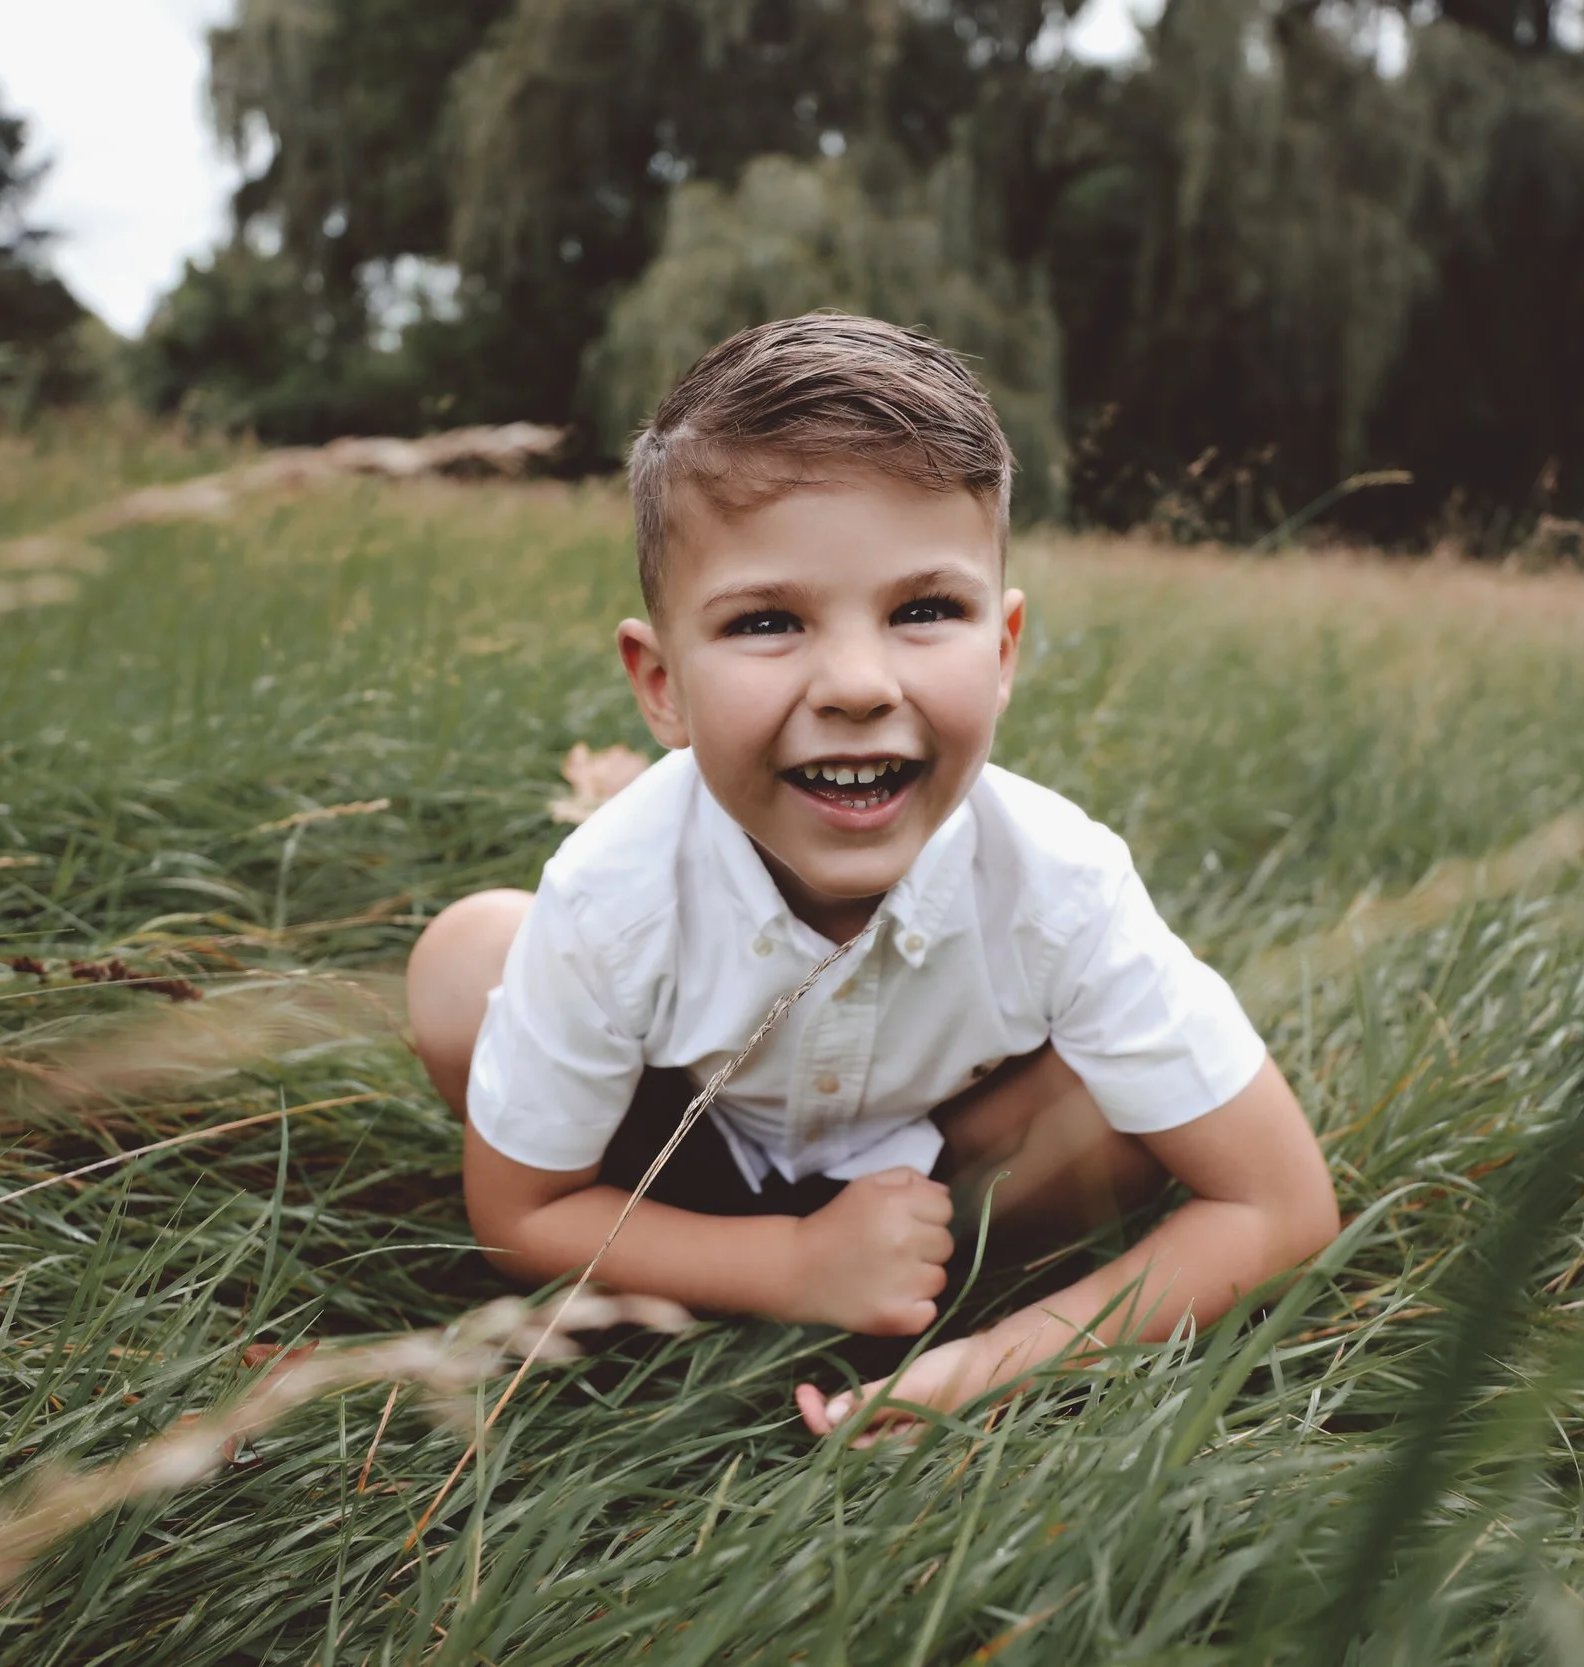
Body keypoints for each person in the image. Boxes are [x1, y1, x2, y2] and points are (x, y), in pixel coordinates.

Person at [406, 313, 1339, 1440]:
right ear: (662, 685)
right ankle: (696, 1285)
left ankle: (921, 1306)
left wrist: (995, 1362)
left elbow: (1280, 1203)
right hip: (676, 1158)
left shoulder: (1059, 879)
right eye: (766, 621)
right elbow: (517, 1213)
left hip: (959, 1183)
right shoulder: (614, 888)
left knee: (1137, 1109)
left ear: (1001, 653)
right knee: (467, 960)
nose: (856, 681)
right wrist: (796, 1260)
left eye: (923, 611)